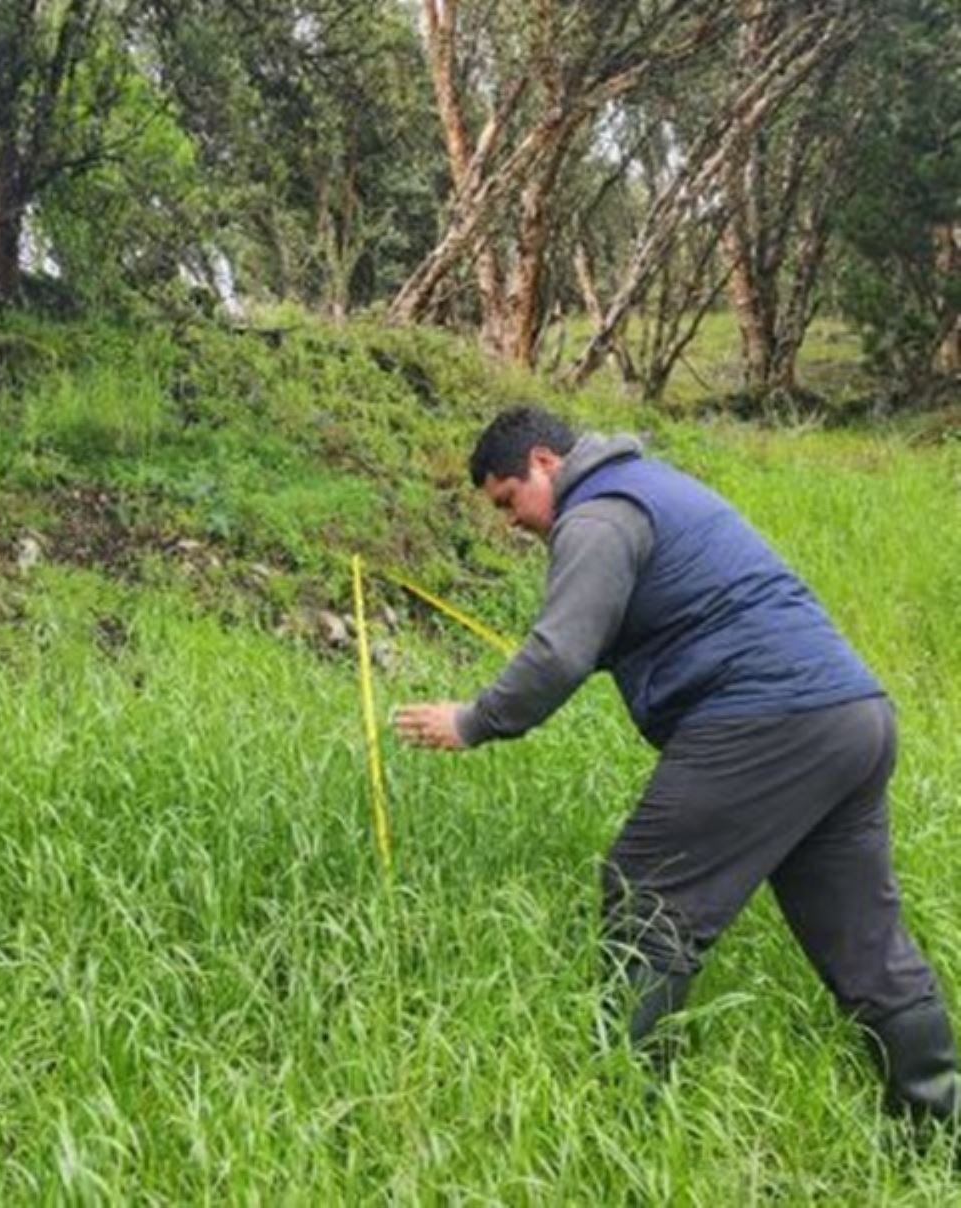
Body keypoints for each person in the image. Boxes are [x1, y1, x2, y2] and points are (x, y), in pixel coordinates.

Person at [392, 406, 956, 1124]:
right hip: (851, 717)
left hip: (768, 720)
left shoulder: (596, 515)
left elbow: (559, 652)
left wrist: (472, 721)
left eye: (509, 501)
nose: (512, 523)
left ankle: (624, 1119)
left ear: (543, 462)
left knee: (646, 894)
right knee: (865, 946)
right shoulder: (652, 487)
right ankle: (935, 1134)